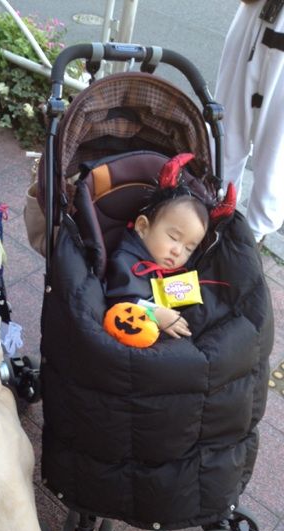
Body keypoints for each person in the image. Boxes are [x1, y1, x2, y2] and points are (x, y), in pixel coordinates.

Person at [214, 0, 284, 243]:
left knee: (276, 147)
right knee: (225, 132)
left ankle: (250, 243)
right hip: (254, 19)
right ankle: (215, 216)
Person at [106, 194, 209, 339]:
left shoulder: (171, 265)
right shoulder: (125, 260)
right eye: (173, 237)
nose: (178, 252)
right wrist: (154, 312)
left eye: (189, 249)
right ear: (142, 227)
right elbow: (118, 300)